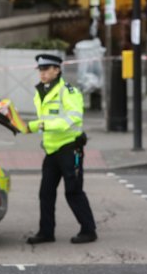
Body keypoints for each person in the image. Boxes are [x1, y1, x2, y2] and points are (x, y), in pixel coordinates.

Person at [26, 54, 98, 244]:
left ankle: (89, 230)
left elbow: (73, 119)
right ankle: (46, 232)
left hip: (69, 148)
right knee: (45, 193)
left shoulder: (69, 91)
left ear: (57, 70)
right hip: (51, 151)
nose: (43, 73)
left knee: (73, 191)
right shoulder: (41, 91)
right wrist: (28, 126)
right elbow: (44, 120)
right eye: (41, 69)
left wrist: (40, 126)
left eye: (47, 69)